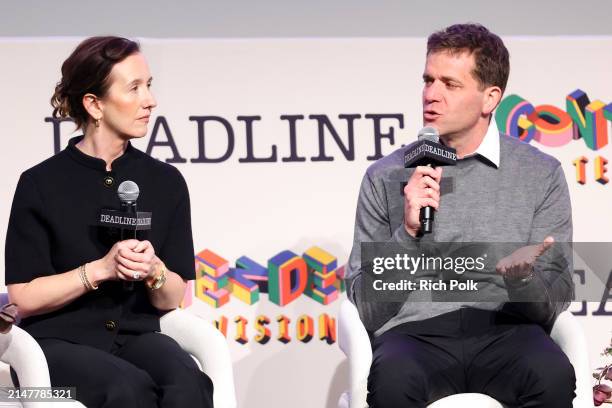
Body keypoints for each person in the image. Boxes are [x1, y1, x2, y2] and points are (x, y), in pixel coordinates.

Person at [345, 24, 576, 407]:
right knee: (392, 381)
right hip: (414, 335)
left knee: (551, 374)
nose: (431, 95)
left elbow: (557, 296)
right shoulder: (384, 175)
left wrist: (524, 281)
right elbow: (365, 307)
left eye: (450, 85)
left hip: (508, 330)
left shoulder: (540, 173)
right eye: (428, 80)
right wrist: (408, 233)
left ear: (489, 98)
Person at [5, 36, 214, 408]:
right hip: (57, 343)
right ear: (94, 104)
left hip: (137, 336)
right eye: (134, 88)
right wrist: (100, 269)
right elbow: (24, 296)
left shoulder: (165, 182)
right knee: (127, 389)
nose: (150, 100)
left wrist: (155, 270)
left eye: (149, 86)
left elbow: (175, 296)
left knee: (189, 382)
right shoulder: (40, 183)